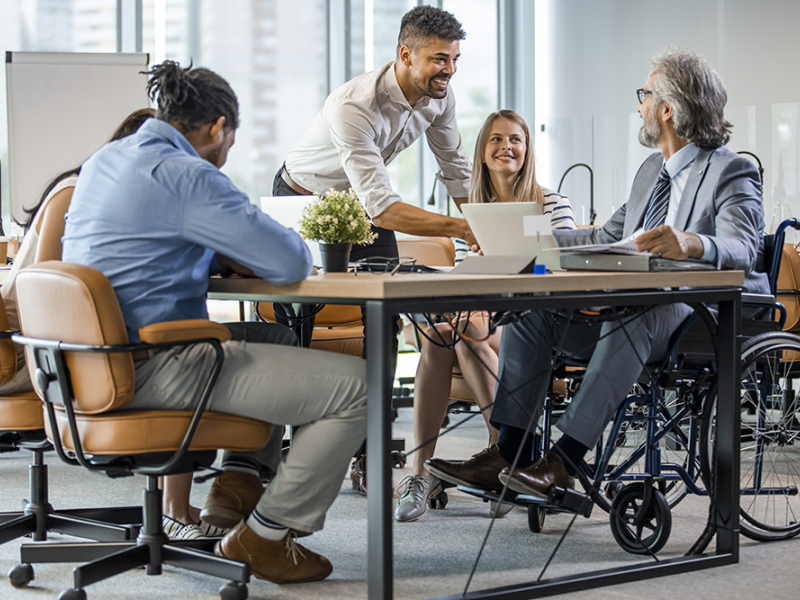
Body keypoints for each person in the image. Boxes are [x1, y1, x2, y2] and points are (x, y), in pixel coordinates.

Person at [61, 61, 368, 584]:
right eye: (232, 141)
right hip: (154, 363)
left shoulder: (107, 160)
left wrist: (211, 254)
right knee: (357, 389)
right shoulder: (188, 174)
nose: (228, 154)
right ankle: (264, 537)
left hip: (88, 363)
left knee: (274, 335)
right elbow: (291, 262)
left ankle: (237, 485)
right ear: (219, 128)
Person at [427, 47, 769, 502]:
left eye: (644, 95)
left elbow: (746, 248)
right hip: (630, 311)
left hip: (700, 318)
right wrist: (524, 244)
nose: (638, 105)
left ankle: (564, 463)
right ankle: (511, 453)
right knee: (532, 313)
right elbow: (605, 235)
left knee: (638, 314)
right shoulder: (652, 171)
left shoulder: (731, 169)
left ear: (667, 110)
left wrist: (692, 243)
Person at [275, 4, 475, 493]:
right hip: (304, 200)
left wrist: (486, 221)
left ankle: (369, 452)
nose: (448, 69)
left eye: (453, 59)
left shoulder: (438, 97)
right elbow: (385, 209)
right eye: (438, 59)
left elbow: (456, 170)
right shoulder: (355, 104)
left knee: (381, 324)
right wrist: (460, 228)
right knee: (303, 323)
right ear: (406, 55)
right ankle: (304, 454)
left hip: (361, 203)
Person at [394, 110, 575, 522]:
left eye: (515, 139)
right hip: (480, 319)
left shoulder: (551, 204)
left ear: (527, 150)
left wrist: (516, 260)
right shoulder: (471, 212)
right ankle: (427, 472)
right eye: (495, 139)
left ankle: (503, 460)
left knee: (463, 336)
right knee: (445, 337)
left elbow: (564, 272)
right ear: (483, 151)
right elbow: (463, 283)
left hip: (535, 323)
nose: (505, 147)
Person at [1, 107, 155, 396]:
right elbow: (42, 294)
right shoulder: (74, 193)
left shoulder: (91, 195)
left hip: (34, 342)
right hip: (20, 351)